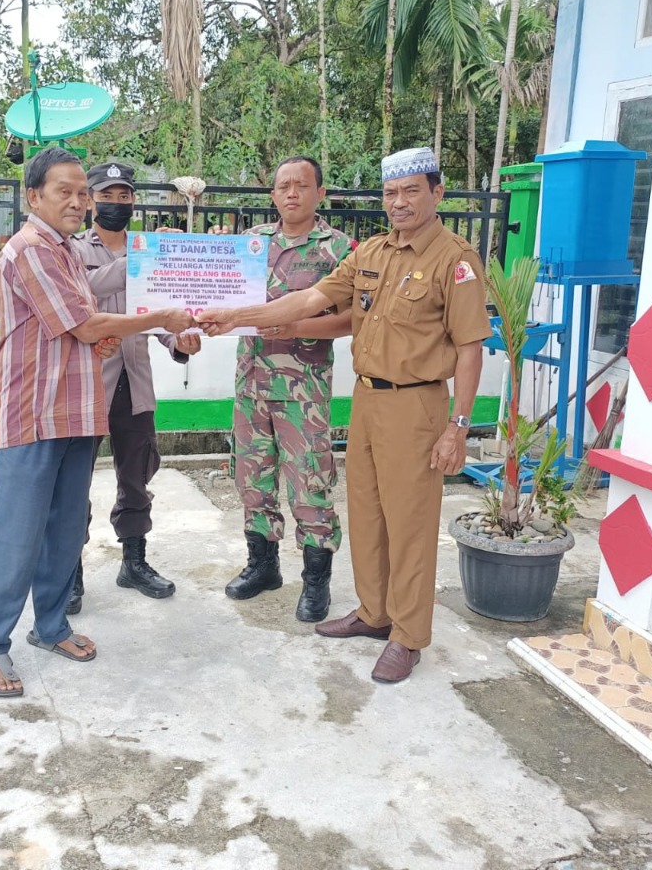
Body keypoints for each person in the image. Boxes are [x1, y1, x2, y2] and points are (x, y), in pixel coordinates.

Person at [199, 147, 491, 683]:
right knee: (367, 513)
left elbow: (471, 348)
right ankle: (375, 613)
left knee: (409, 524)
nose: (399, 202)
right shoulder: (372, 251)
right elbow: (311, 298)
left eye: (411, 191)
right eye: (390, 193)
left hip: (417, 403)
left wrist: (459, 426)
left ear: (437, 193)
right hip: (367, 399)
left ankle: (408, 635)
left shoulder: (455, 259)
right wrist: (238, 316)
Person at [0, 147, 193, 699]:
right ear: (33, 196)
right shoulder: (29, 249)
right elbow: (84, 324)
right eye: (64, 191)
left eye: (80, 193)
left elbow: (84, 328)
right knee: (17, 535)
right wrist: (158, 317)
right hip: (35, 412)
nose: (77, 201)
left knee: (65, 530)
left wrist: (112, 334)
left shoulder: (66, 250)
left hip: (79, 409)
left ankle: (50, 627)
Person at [219, 156, 354, 624]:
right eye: (283, 186)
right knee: (252, 478)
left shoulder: (339, 249)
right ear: (273, 194)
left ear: (321, 193)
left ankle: (316, 582)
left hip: (303, 391)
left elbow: (354, 318)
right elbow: (215, 287)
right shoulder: (252, 243)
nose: (292, 193)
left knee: (309, 483)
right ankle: (263, 565)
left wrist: (299, 326)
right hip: (251, 383)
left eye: (302, 185)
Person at [65, 162, 203, 612]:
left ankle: (134, 562)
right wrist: (140, 261)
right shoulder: (72, 248)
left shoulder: (147, 250)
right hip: (87, 386)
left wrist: (178, 341)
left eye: (124, 196)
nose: (116, 203)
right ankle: (68, 571)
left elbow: (159, 312)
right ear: (91, 200)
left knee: (137, 476)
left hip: (135, 382)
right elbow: (82, 291)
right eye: (107, 195)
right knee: (74, 482)